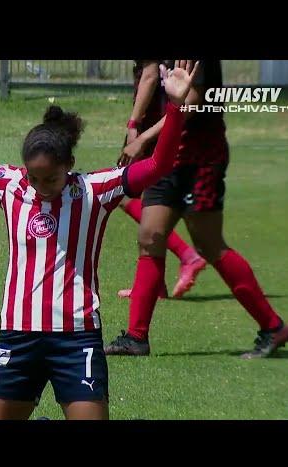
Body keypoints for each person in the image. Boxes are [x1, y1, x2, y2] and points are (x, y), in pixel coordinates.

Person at [0, 59, 199, 419]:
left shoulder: (95, 190)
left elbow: (159, 166)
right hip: (17, 338)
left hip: (77, 340)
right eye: (34, 179)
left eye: (51, 180)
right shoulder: (8, 184)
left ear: (68, 164)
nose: (41, 188)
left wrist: (176, 106)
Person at [105, 60, 288, 359]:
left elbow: (192, 101)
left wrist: (142, 137)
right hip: (169, 156)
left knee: (209, 244)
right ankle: (136, 337)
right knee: (150, 236)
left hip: (200, 157)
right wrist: (134, 126)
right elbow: (151, 74)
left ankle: (273, 326)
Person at [117, 59, 207, 300]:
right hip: (160, 120)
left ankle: (187, 256)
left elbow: (149, 76)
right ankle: (156, 284)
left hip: (154, 124)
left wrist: (134, 125)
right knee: (139, 198)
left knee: (124, 193)